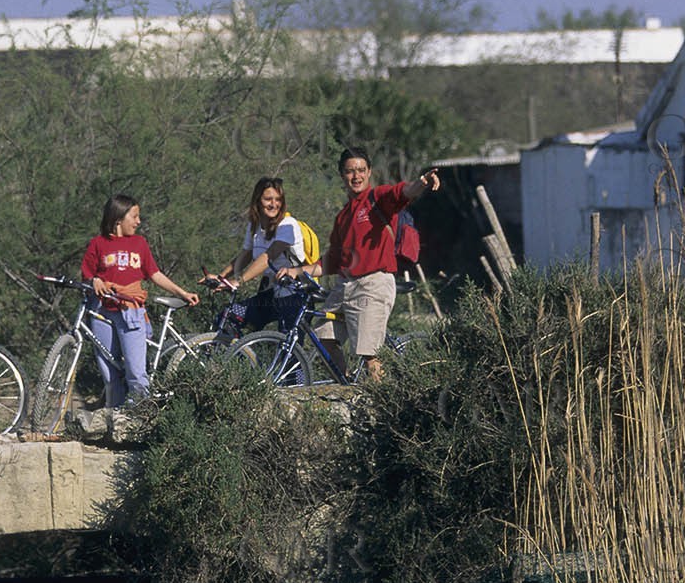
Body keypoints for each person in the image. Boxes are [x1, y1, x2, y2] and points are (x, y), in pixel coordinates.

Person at [283, 148, 439, 382]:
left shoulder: (378, 198)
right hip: (345, 285)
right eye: (349, 171)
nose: (355, 176)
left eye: (360, 171)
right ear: (342, 175)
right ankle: (346, 387)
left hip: (372, 284)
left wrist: (422, 182)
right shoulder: (343, 216)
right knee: (323, 339)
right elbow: (332, 261)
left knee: (369, 355)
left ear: (369, 173)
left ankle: (381, 406)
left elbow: (404, 191)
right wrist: (296, 271)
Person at [81, 194, 199, 406]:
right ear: (118, 218)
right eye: (134, 216)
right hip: (102, 310)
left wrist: (181, 293)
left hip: (131, 311)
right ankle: (114, 421)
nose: (138, 221)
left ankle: (140, 418)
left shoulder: (139, 243)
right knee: (110, 373)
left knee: (135, 371)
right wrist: (95, 280)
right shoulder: (98, 244)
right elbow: (87, 275)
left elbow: (154, 274)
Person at [212, 176, 308, 338]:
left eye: (278, 199)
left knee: (288, 349)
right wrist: (221, 278)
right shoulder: (255, 226)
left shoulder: (288, 224)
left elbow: (267, 258)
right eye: (268, 199)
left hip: (295, 296)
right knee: (229, 316)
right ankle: (241, 360)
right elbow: (246, 254)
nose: (273, 204)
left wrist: (239, 281)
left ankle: (291, 363)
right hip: (272, 294)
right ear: (257, 200)